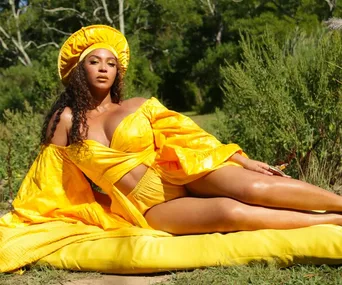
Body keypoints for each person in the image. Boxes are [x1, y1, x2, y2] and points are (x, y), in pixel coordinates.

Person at [2, 24, 342, 241]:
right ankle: (333, 222)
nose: (104, 68)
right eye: (94, 62)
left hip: (179, 173)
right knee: (230, 213)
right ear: (79, 70)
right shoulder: (66, 120)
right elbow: (53, 181)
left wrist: (243, 159)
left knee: (255, 186)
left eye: (111, 63)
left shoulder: (138, 104)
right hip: (146, 206)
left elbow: (187, 135)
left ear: (118, 71)